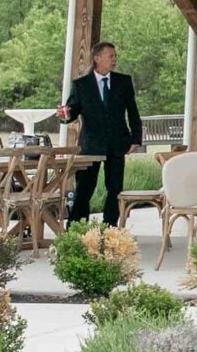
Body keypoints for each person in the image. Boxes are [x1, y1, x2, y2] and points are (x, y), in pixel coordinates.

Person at [52, 40, 145, 226]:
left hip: (118, 142)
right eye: (111, 56)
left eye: (115, 56)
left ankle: (109, 229)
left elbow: (133, 112)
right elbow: (71, 111)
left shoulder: (123, 82)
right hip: (91, 144)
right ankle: (77, 228)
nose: (114, 59)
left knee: (115, 188)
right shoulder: (81, 85)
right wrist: (64, 115)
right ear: (97, 58)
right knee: (84, 188)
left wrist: (135, 139)